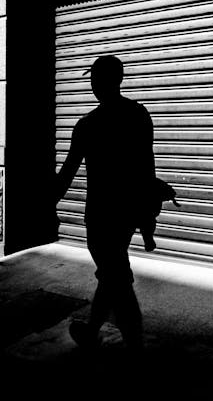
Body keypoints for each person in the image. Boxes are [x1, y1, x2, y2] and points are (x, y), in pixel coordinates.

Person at [55, 53, 156, 351]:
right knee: (112, 276)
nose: (91, 83)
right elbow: (147, 168)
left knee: (118, 281)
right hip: (126, 214)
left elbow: (65, 176)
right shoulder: (138, 115)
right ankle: (91, 331)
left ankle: (136, 350)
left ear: (99, 82)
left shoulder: (88, 125)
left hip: (100, 218)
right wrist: (147, 216)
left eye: (93, 77)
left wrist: (46, 204)